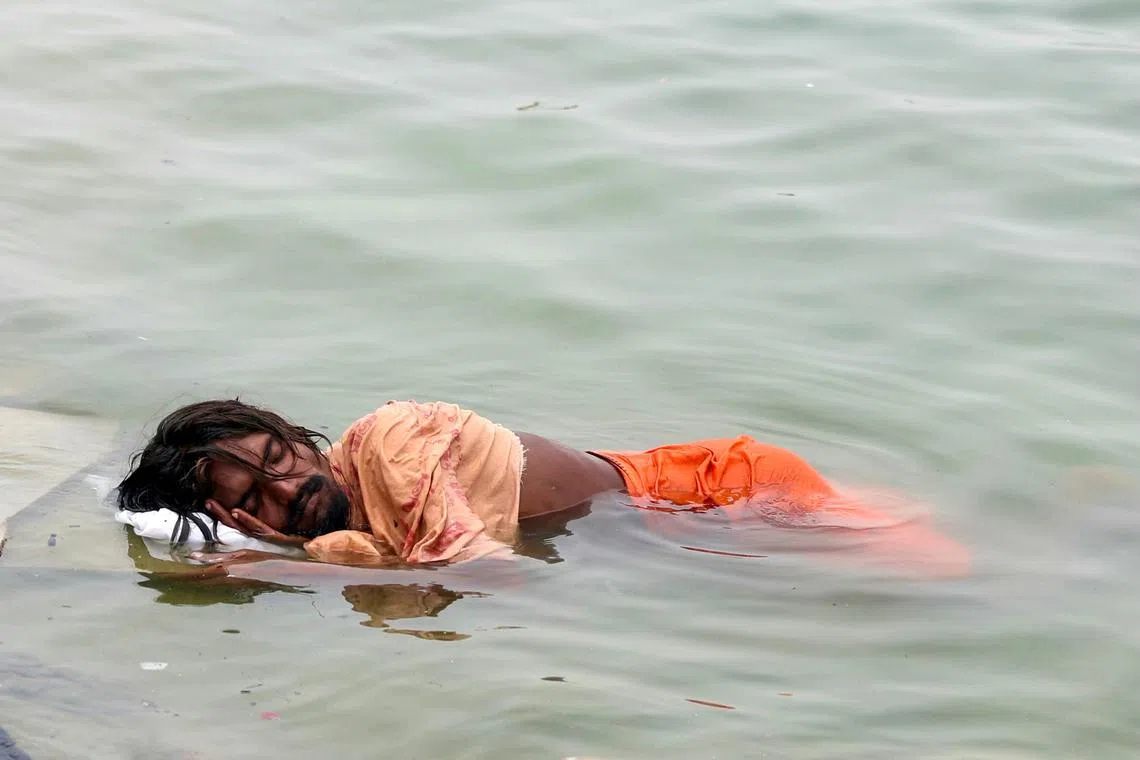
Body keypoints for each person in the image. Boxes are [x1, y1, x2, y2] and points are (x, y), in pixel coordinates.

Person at [116, 398, 970, 576]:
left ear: (302, 438)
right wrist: (282, 543)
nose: (286, 486)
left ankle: (1092, 526)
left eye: (279, 456)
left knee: (947, 582)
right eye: (254, 493)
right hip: (671, 526)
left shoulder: (393, 444)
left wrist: (277, 564)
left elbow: (491, 574)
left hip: (722, 490)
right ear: (226, 513)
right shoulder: (353, 523)